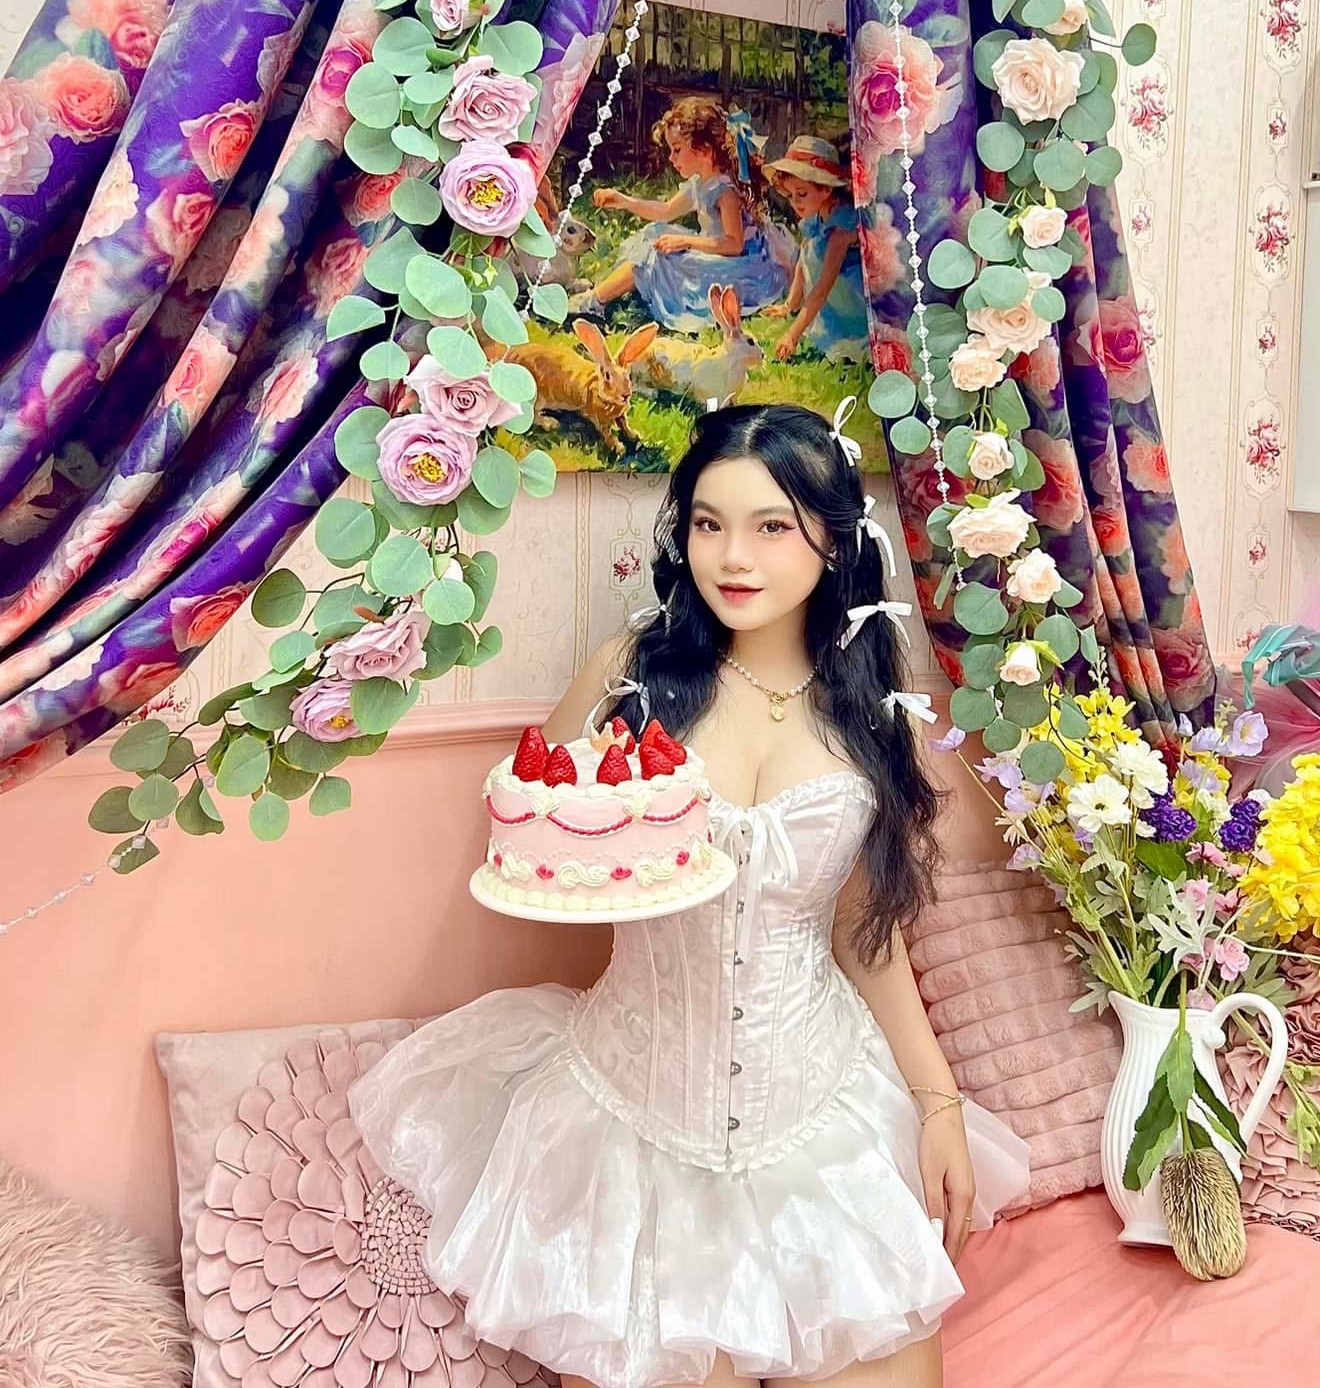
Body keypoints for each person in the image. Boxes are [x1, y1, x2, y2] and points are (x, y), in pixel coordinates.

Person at [349, 403, 1029, 1388]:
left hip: (820, 1118)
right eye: (709, 523)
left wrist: (937, 1104)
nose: (732, 557)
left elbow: (862, 934)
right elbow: (540, 836)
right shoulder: (628, 678)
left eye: (770, 525)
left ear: (833, 539)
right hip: (634, 1121)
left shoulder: (871, 709)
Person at [572, 97, 794, 329]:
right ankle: (600, 297)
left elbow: (734, 244)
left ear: (705, 151)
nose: (671, 158)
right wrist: (624, 201)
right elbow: (666, 211)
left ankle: (594, 301)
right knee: (656, 233)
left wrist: (686, 242)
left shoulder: (724, 191)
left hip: (737, 268)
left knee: (656, 253)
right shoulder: (701, 183)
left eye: (677, 150)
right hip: (716, 255)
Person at [762, 136, 868, 365]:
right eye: (790, 195)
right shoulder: (815, 219)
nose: (795, 202)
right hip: (829, 302)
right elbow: (803, 260)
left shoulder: (841, 229)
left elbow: (822, 288)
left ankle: (849, 337)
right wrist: (789, 304)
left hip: (851, 306)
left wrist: (792, 334)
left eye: (802, 194)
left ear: (826, 189)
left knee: (846, 351)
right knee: (809, 249)